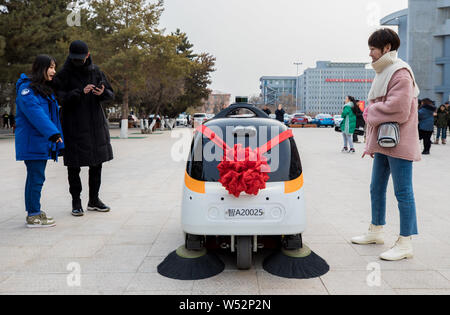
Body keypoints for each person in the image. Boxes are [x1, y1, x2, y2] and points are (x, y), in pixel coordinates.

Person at [353, 28, 421, 261]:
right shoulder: (385, 71)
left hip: (398, 142)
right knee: (376, 187)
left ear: (387, 48)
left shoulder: (400, 73)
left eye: (373, 49)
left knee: (403, 192)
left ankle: (405, 242)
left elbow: (399, 109)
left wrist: (369, 110)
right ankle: (376, 230)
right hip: (384, 141)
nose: (370, 54)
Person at [53, 40, 114, 217]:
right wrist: (80, 92)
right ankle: (76, 202)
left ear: (87, 55)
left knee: (97, 163)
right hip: (73, 125)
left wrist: (102, 93)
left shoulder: (96, 71)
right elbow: (59, 97)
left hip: (95, 125)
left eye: (81, 58)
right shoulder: (63, 74)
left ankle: (94, 200)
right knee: (74, 166)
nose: (78, 61)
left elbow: (110, 93)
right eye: (75, 58)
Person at [15, 55, 64, 228]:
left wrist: (58, 141)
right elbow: (36, 113)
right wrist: (53, 134)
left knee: (36, 177)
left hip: (40, 141)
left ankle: (34, 210)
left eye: (54, 67)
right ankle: (33, 215)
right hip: (32, 142)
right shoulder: (26, 90)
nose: (54, 71)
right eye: (50, 67)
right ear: (40, 68)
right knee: (36, 177)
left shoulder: (40, 89)